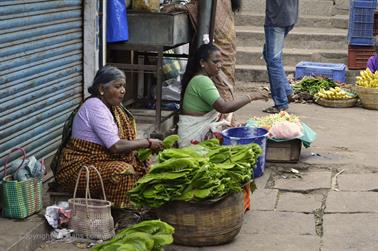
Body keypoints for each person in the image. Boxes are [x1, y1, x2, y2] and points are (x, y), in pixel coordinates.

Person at [51, 66, 164, 209]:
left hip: (99, 161)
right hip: (78, 168)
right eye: (117, 86)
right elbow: (115, 146)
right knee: (123, 171)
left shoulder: (112, 107)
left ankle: (135, 207)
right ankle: (118, 215)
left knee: (142, 163)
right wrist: (147, 143)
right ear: (101, 89)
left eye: (123, 86)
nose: (123, 90)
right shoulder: (94, 106)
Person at [178, 43, 268, 147]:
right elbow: (224, 107)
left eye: (221, 61)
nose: (219, 65)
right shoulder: (201, 81)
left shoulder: (203, 78)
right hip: (193, 139)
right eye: (215, 62)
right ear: (203, 63)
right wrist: (253, 96)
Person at [162, 0, 238, 104]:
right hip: (225, 39)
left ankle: (224, 113)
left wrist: (178, 7)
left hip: (219, 40)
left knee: (221, 84)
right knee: (221, 84)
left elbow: (204, 11)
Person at [263, 0, 299, 114]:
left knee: (273, 61)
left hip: (277, 18)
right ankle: (287, 92)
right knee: (269, 54)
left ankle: (281, 103)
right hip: (289, 15)